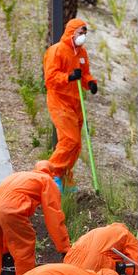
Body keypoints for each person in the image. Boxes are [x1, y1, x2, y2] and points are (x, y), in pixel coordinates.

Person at [44, 18, 97, 192]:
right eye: (81, 33)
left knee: (76, 145)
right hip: (59, 101)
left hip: (76, 102)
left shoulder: (81, 53)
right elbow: (50, 79)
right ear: (71, 32)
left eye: (85, 33)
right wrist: (68, 77)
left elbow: (85, 74)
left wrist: (90, 83)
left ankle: (64, 177)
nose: (83, 36)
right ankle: (50, 174)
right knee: (69, 140)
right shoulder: (56, 51)